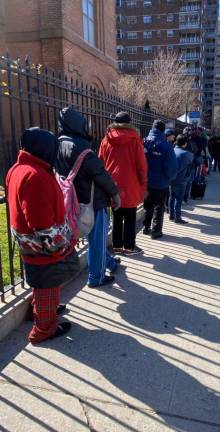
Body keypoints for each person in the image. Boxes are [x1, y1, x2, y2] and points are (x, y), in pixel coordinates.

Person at [6, 127, 80, 344]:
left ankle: (41, 312)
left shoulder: (20, 168)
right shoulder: (34, 175)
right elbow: (41, 224)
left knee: (45, 282)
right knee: (47, 281)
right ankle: (43, 330)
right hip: (41, 244)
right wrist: (62, 244)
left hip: (29, 241)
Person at [56, 107, 120, 288]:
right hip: (92, 202)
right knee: (97, 239)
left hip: (71, 201)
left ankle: (109, 262)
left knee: (94, 238)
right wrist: (115, 195)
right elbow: (100, 173)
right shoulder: (81, 146)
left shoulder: (58, 143)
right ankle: (96, 277)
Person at [99, 112, 147, 256]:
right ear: (129, 123)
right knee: (130, 218)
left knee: (116, 217)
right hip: (131, 185)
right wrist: (144, 184)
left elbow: (100, 163)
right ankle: (129, 247)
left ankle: (117, 246)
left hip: (112, 185)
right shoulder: (135, 140)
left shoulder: (105, 140)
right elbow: (142, 166)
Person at [143, 120, 177, 239]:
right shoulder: (166, 146)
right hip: (161, 182)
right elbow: (171, 166)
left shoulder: (144, 142)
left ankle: (146, 227)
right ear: (163, 131)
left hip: (146, 181)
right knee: (159, 206)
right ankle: (156, 231)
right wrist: (170, 178)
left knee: (148, 205)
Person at [169, 135, 193, 224]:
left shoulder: (172, 150)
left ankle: (171, 215)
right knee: (178, 200)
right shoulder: (186, 154)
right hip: (181, 180)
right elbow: (192, 160)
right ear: (185, 143)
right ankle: (177, 217)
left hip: (171, 178)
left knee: (171, 198)